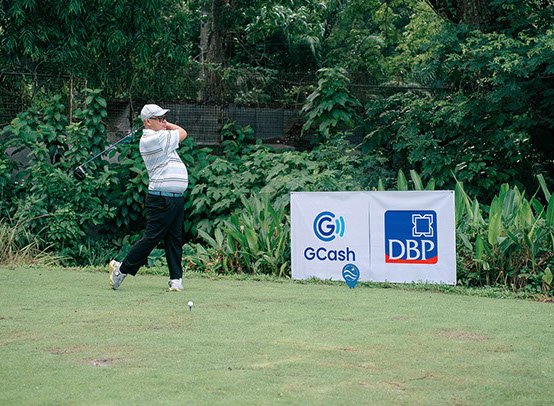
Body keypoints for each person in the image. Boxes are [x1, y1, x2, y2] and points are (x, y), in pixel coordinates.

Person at [109, 104, 189, 291]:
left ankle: (176, 280)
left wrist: (162, 124)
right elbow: (183, 132)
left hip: (175, 198)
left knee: (174, 238)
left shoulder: (161, 137)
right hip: (161, 199)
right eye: (159, 118)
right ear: (147, 122)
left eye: (164, 118)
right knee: (152, 238)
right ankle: (121, 270)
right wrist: (167, 125)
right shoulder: (153, 139)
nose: (163, 121)